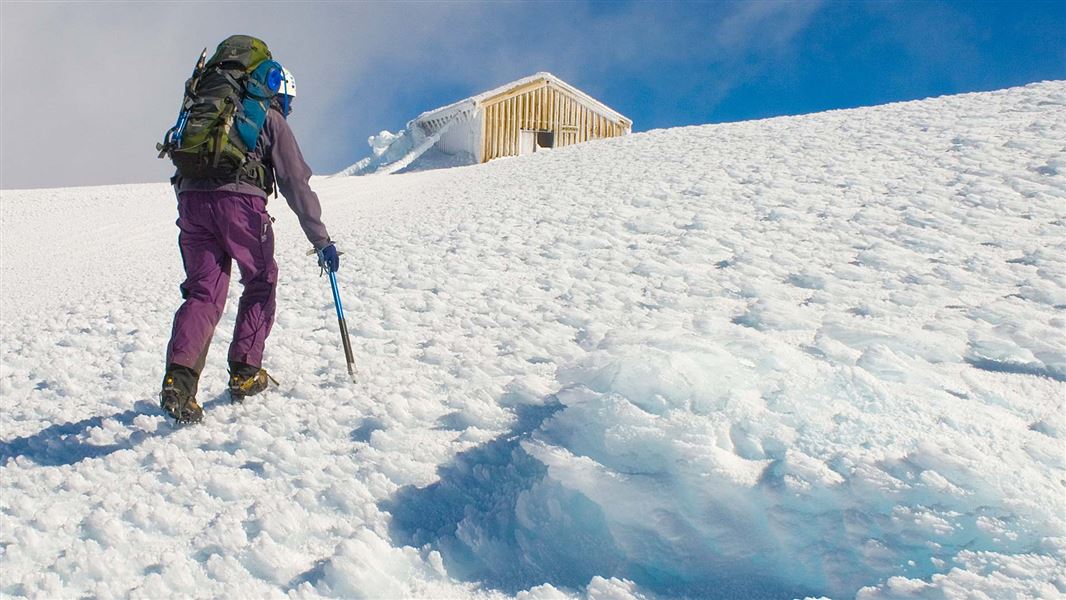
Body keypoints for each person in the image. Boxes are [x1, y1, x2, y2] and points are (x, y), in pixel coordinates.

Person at [160, 65, 340, 423]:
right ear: (281, 93)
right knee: (260, 281)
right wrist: (321, 240)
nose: (289, 109)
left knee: (202, 294)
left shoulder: (211, 112)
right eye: (289, 102)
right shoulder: (269, 118)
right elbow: (295, 183)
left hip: (192, 201)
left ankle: (179, 382)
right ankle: (245, 371)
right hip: (239, 207)